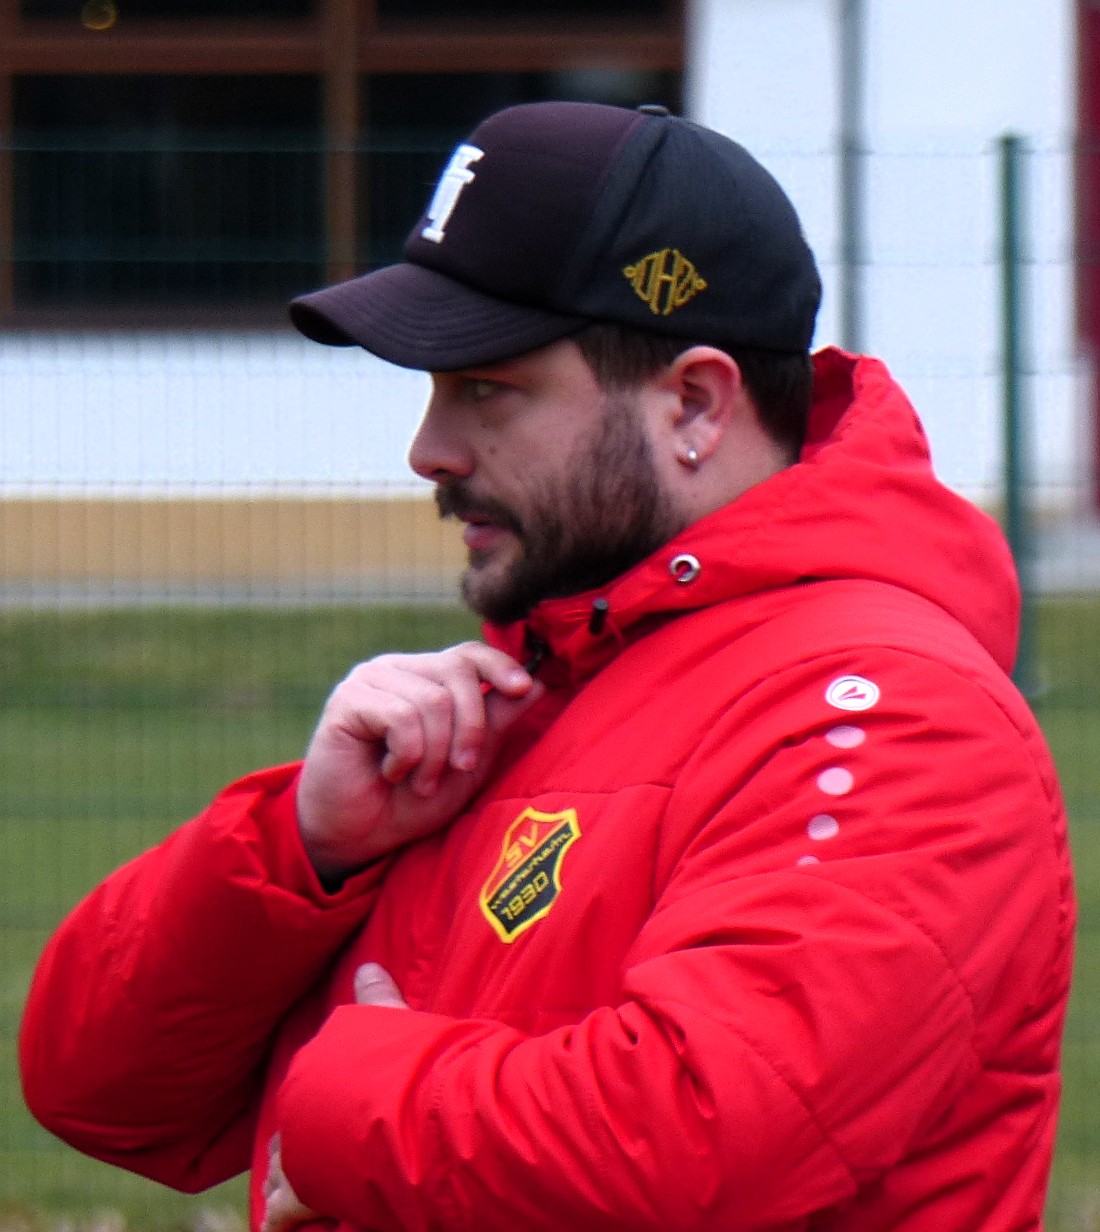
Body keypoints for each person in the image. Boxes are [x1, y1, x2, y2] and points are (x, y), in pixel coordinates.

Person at [20, 100, 1074, 1232]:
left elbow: (698, 1132)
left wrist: (343, 1106)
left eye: (487, 388)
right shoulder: (527, 691)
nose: (429, 450)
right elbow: (99, 1086)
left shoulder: (889, 718)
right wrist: (305, 849)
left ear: (693, 402)